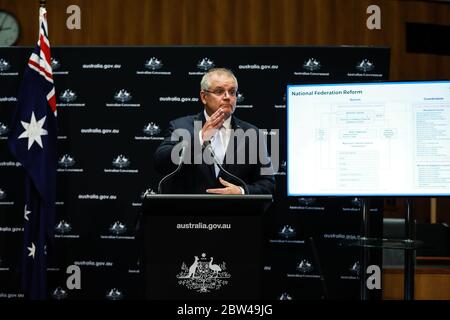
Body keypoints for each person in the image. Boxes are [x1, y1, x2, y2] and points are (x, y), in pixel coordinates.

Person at [153, 68, 274, 194]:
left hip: (234, 211)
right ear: (204, 97)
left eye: (232, 92)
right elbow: (160, 162)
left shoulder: (252, 133)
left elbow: (268, 183)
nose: (227, 97)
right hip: (190, 212)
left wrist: (242, 191)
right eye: (219, 91)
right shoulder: (180, 127)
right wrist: (200, 139)